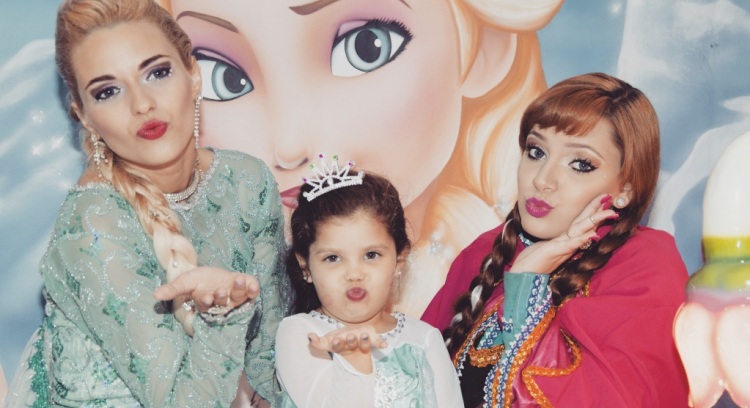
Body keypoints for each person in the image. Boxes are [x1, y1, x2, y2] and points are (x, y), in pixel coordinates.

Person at [157, 0, 564, 317]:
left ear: (484, 49)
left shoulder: (501, 277)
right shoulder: (209, 283)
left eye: (364, 47)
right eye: (224, 78)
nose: (289, 146)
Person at [5, 0, 287, 406]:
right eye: (108, 91)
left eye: (157, 72)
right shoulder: (94, 224)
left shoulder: (247, 181)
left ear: (193, 75)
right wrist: (225, 313)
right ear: (84, 116)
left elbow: (269, 362)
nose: (141, 104)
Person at [422, 73, 691, 407]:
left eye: (580, 164)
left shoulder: (645, 270)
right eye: (536, 151)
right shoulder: (486, 251)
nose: (543, 180)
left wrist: (526, 281)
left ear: (626, 188)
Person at [275, 157, 463, 407]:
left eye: (371, 255)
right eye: (333, 258)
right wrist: (354, 359)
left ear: (399, 259)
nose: (354, 273)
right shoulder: (301, 334)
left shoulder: (425, 338)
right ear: (305, 267)